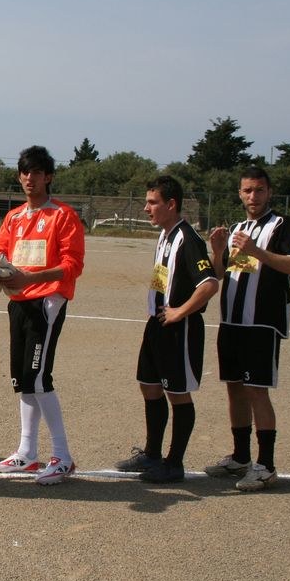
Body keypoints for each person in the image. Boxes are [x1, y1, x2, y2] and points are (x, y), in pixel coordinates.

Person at [0, 146, 85, 485]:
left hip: (47, 302)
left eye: (37, 173)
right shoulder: (13, 217)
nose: (30, 178)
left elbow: (72, 265)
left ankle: (63, 457)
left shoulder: (63, 216)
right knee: (23, 379)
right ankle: (27, 454)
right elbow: (0, 252)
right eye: (25, 172)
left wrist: (30, 278)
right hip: (18, 302)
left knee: (38, 376)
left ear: (48, 177)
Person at [204, 167, 290, 491]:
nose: (253, 196)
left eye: (259, 190)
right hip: (231, 322)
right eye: (247, 190)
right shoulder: (238, 228)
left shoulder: (283, 225)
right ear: (239, 193)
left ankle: (266, 465)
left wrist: (257, 251)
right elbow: (221, 273)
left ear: (269, 192)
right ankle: (240, 456)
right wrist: (218, 250)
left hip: (261, 323)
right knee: (234, 388)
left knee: (256, 391)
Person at [115, 175, 218, 483]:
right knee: (149, 385)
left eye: (152, 202)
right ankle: (152, 454)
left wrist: (180, 312)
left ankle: (174, 464)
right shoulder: (165, 235)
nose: (146, 208)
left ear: (171, 204)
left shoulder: (188, 239)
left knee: (178, 393)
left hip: (179, 328)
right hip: (157, 324)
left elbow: (209, 284)